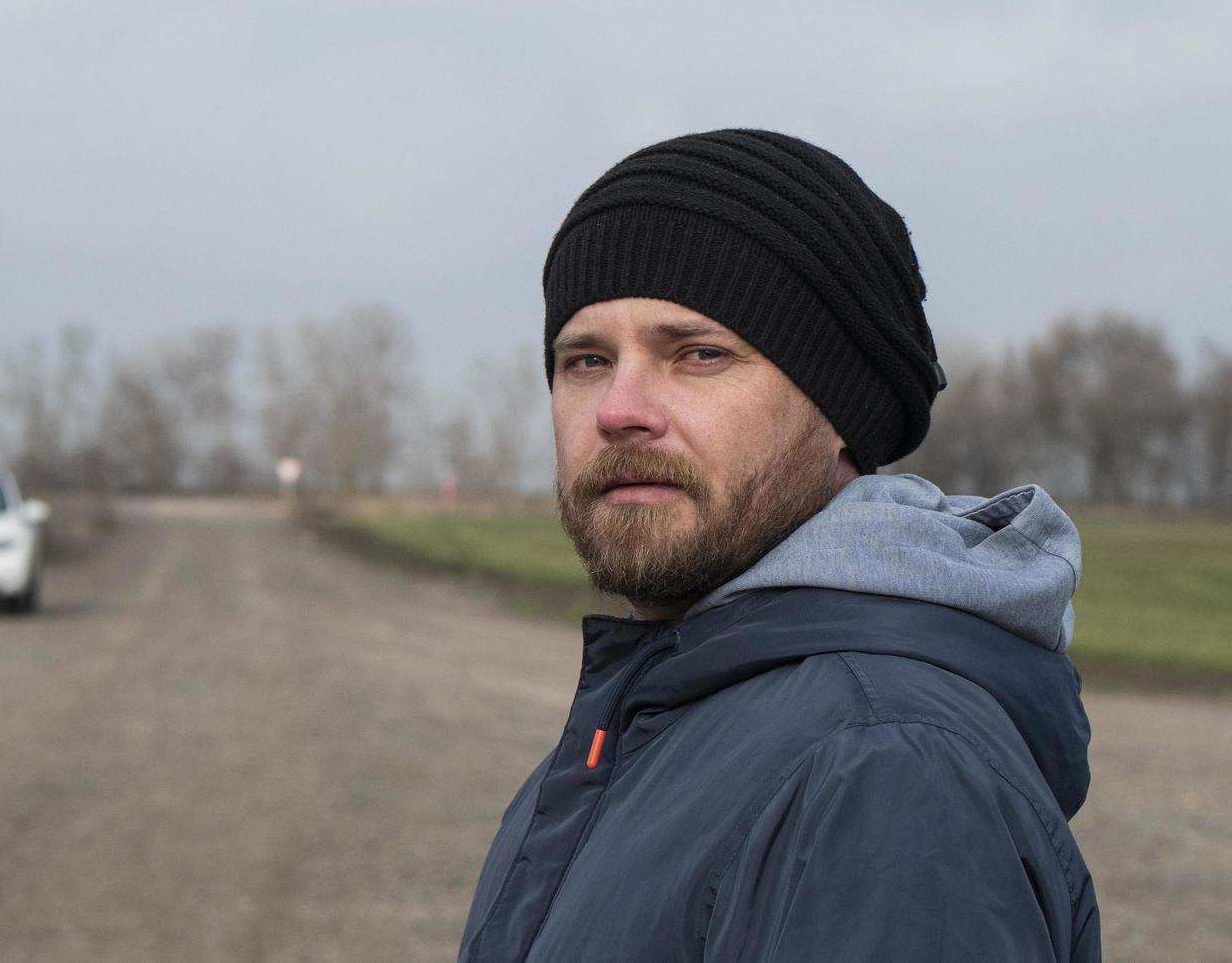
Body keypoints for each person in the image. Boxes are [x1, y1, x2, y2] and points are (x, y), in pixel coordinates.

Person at [458, 129, 1099, 962]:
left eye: (697, 354)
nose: (618, 408)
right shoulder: (663, 712)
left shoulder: (882, 766)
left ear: (841, 410)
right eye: (585, 359)